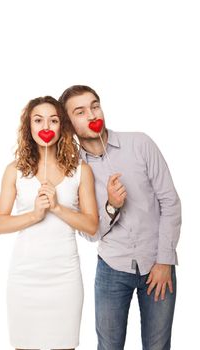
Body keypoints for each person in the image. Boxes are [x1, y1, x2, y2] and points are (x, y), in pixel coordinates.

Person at [59, 85, 182, 350]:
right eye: (80, 112)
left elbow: (170, 202)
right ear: (69, 126)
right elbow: (89, 234)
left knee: (158, 346)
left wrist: (164, 261)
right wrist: (112, 207)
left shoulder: (140, 143)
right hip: (111, 269)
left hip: (157, 264)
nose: (92, 114)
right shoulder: (74, 172)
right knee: (109, 346)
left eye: (94, 105)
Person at [0, 95, 98, 350]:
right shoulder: (15, 170)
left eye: (53, 120)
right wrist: (35, 215)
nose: (45, 127)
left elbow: (92, 225)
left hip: (65, 278)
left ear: (62, 125)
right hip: (24, 277)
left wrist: (57, 207)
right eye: (38, 120)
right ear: (29, 127)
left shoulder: (80, 170)